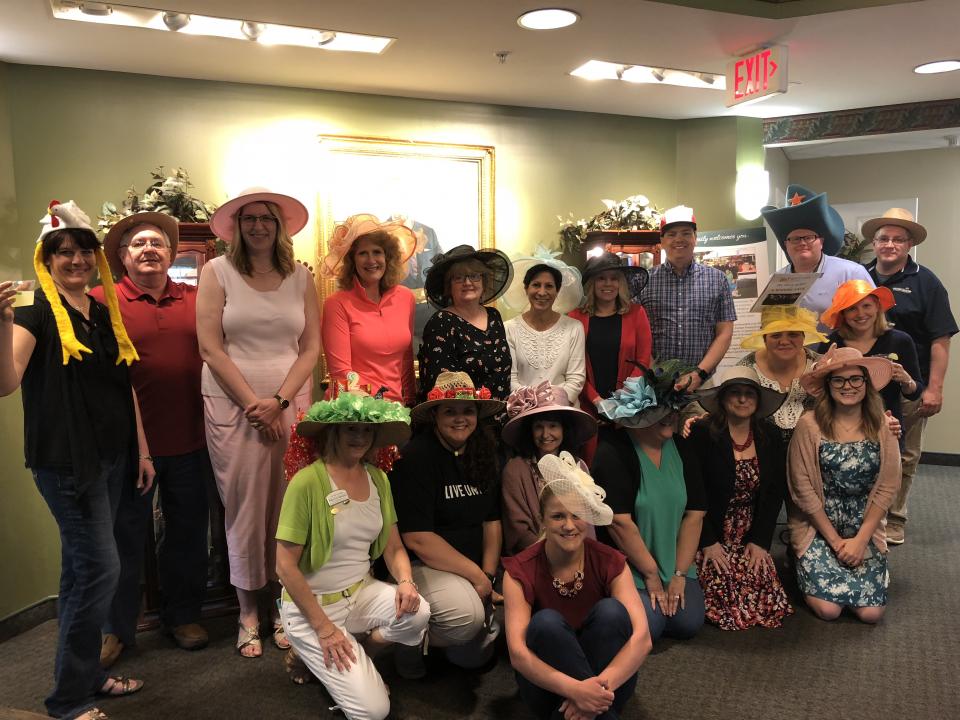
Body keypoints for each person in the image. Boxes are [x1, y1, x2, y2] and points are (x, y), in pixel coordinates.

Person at [1, 201, 150, 720]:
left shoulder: (102, 313)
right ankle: (68, 700)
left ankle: (84, 675)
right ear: (48, 259)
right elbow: (6, 382)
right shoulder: (33, 311)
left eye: (84, 250)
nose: (76, 260)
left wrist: (142, 449)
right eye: (64, 252)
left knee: (79, 572)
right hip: (66, 465)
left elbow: (122, 385)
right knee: (99, 570)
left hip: (112, 458)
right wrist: (0, 324)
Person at [197, 187, 320, 658]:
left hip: (290, 402)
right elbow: (210, 347)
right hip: (234, 407)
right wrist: (256, 404)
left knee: (290, 507)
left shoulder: (300, 278)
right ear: (236, 227)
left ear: (280, 226)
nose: (257, 226)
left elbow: (310, 348)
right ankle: (248, 611)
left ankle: (284, 605)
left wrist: (280, 400)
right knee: (245, 508)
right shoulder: (218, 272)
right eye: (248, 219)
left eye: (266, 218)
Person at [91, 212, 212, 665]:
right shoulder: (103, 300)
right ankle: (116, 629)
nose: (149, 250)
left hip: (193, 439)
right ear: (122, 256)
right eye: (138, 243)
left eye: (157, 244)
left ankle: (182, 616)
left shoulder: (198, 299)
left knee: (187, 533)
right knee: (122, 539)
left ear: (170, 254)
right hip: (129, 447)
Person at [275, 387, 430, 720]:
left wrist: (405, 581)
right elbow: (285, 568)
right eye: (351, 428)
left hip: (360, 594)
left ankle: (362, 653)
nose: (360, 437)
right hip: (311, 608)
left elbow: (394, 546)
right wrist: (325, 629)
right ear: (333, 431)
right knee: (374, 711)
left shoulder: (378, 479)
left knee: (418, 612)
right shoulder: (307, 482)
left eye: (366, 429)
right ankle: (316, 651)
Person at [502, 452, 650, 720]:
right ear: (543, 520)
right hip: (548, 685)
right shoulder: (519, 570)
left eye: (577, 515)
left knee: (612, 612)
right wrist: (577, 691)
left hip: (610, 683)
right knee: (545, 623)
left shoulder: (610, 560)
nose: (569, 526)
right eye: (558, 516)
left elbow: (642, 639)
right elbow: (518, 654)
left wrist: (594, 692)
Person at [389, 372, 506, 676]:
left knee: (475, 658)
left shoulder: (485, 451)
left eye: (467, 410)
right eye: (450, 411)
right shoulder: (415, 457)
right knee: (467, 619)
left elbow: (492, 521)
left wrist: (489, 575)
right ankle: (405, 642)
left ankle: (436, 633)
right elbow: (417, 539)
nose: (460, 418)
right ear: (435, 416)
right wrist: (478, 578)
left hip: (475, 568)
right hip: (425, 565)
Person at [591, 363, 708, 642]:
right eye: (660, 410)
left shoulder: (682, 447)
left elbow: (695, 514)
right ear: (639, 412)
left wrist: (679, 574)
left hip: (674, 558)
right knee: (651, 627)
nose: (670, 416)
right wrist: (652, 576)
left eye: (673, 409)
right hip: (633, 562)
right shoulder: (614, 452)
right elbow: (620, 523)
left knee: (688, 623)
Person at [862, 208, 958, 544]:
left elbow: (940, 339)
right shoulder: (859, 277)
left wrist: (934, 389)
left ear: (909, 244)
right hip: (860, 385)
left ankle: (895, 516)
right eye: (883, 238)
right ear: (874, 243)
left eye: (898, 239)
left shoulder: (926, 282)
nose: (890, 244)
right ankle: (866, 514)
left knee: (904, 453)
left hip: (908, 386)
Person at [788, 345, 900, 623]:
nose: (847, 386)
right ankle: (800, 563)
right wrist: (837, 543)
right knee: (829, 611)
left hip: (865, 525)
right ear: (827, 385)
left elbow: (887, 488)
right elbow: (802, 490)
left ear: (866, 383)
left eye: (855, 379)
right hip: (819, 526)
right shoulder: (809, 425)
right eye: (838, 380)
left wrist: (861, 541)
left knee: (871, 614)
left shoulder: (884, 426)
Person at [687, 367, 794, 630]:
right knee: (724, 587)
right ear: (723, 399)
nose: (743, 400)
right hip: (711, 527)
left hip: (750, 528)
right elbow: (694, 492)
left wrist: (760, 541)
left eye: (749, 394)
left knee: (764, 590)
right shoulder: (702, 433)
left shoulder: (769, 435)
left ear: (757, 401)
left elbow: (773, 493)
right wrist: (708, 542)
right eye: (735, 393)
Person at [320, 214, 419, 405]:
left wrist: (409, 402)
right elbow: (341, 373)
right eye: (362, 253)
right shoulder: (337, 303)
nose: (371, 260)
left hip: (397, 410)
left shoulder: (405, 297)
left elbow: (406, 360)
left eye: (377, 252)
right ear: (352, 261)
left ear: (388, 257)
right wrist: (372, 412)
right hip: (354, 411)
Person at [640, 205, 736, 392]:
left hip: (701, 384)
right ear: (661, 240)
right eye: (672, 234)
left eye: (686, 233)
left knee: (700, 423)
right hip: (654, 385)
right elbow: (637, 333)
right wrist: (655, 373)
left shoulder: (717, 279)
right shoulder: (645, 281)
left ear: (695, 238)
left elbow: (724, 333)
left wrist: (699, 374)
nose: (679, 239)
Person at [569, 251, 651, 464]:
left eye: (614, 278)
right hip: (588, 409)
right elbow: (574, 368)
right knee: (590, 471)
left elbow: (642, 361)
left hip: (628, 410)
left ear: (621, 283)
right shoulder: (575, 318)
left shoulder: (636, 313)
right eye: (601, 278)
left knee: (625, 470)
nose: (608, 284)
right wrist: (597, 401)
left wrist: (621, 400)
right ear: (592, 284)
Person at [818, 279, 923, 439]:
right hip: (839, 430)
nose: (860, 314)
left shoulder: (900, 341)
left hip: (888, 426)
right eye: (852, 308)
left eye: (866, 306)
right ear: (843, 314)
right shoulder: (831, 344)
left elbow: (915, 393)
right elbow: (820, 391)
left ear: (877, 307)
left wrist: (907, 380)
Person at [500, 382, 598, 555]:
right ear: (529, 431)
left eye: (553, 426)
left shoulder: (579, 466)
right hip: (534, 559)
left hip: (578, 555)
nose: (546, 435)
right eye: (539, 427)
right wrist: (553, 556)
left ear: (564, 429)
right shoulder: (515, 470)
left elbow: (587, 524)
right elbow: (518, 531)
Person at [763, 184, 874, 324]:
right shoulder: (776, 281)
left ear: (821, 242)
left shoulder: (851, 272)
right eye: (795, 239)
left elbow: (873, 320)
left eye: (809, 237)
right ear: (786, 245)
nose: (802, 243)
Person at [418, 245, 513, 401]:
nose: (467, 282)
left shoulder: (494, 316)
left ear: (484, 281)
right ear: (448, 286)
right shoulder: (441, 322)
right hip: (462, 420)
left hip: (501, 418)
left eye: (474, 276)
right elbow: (442, 388)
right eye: (459, 277)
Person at [735, 305, 827, 443]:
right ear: (765, 339)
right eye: (776, 335)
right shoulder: (746, 370)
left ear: (803, 336)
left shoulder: (822, 366)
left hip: (815, 452)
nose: (784, 341)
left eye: (793, 334)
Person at [504, 258, 585, 404]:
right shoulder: (509, 328)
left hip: (563, 412)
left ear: (557, 290)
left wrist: (552, 406)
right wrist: (533, 405)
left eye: (549, 286)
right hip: (523, 410)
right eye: (536, 285)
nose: (542, 292)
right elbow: (511, 378)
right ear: (526, 289)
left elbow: (576, 379)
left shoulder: (574, 327)